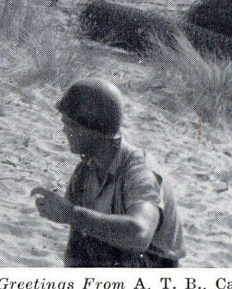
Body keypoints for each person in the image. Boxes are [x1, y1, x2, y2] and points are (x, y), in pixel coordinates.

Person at [32, 79, 185, 268]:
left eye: (70, 124)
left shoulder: (139, 171)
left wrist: (71, 214)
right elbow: (77, 247)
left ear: (92, 128)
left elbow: (140, 234)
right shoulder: (86, 171)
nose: (64, 130)